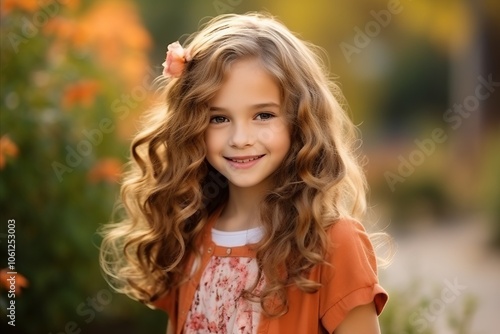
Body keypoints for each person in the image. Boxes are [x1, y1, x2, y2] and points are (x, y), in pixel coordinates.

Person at [100, 12, 389, 334]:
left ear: (300, 119)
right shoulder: (189, 236)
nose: (240, 139)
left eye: (263, 115)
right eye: (219, 119)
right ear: (192, 125)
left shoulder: (333, 242)